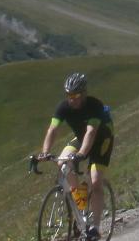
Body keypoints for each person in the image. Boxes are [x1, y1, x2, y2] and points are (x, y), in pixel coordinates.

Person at [38, 71, 114, 241]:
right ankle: (80, 203)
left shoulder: (94, 105)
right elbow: (53, 129)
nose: (72, 99)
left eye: (76, 95)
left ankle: (95, 227)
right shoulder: (63, 107)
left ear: (84, 93)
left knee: (95, 182)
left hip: (102, 140)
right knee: (63, 163)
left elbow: (91, 132)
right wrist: (45, 152)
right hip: (81, 139)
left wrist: (81, 154)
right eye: (69, 95)